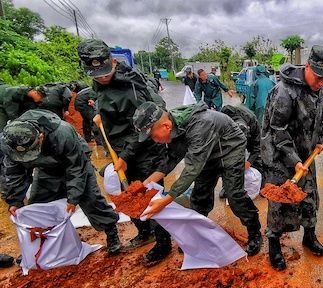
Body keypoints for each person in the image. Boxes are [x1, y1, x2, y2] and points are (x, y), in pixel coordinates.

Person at [78, 38, 172, 266]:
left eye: (105, 71)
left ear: (112, 61)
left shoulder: (131, 87)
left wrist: (125, 157)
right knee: (128, 194)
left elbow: (143, 130)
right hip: (121, 150)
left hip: (144, 149)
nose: (102, 77)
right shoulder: (100, 84)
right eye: (96, 74)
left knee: (150, 195)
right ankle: (145, 231)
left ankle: (163, 243)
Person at [132, 101, 263, 256]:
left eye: (153, 136)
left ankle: (255, 232)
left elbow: (192, 169)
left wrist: (165, 201)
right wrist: (147, 183)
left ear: (165, 126)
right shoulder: (175, 126)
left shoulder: (200, 125)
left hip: (230, 149)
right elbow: (172, 157)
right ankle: (197, 235)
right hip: (207, 154)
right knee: (200, 195)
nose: (154, 140)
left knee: (234, 195)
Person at [0, 110, 122, 255]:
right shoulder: (9, 142)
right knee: (39, 207)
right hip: (45, 169)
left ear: (41, 136)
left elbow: (76, 168)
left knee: (91, 200)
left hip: (76, 163)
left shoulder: (62, 132)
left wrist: (73, 198)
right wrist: (15, 201)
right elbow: (15, 173)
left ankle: (111, 232)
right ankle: (39, 248)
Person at [261, 45, 323, 270]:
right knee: (280, 202)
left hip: (305, 154)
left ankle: (309, 236)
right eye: (319, 77)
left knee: (309, 196)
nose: (322, 83)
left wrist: (320, 138)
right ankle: (274, 245)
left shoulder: (320, 88)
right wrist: (294, 160)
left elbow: (322, 117)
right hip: (279, 155)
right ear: (307, 67)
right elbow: (278, 130)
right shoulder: (285, 91)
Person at [219, 104, 263, 199]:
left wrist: (249, 162)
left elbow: (257, 148)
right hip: (230, 141)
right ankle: (226, 187)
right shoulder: (223, 123)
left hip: (251, 137)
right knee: (227, 162)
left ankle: (260, 184)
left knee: (257, 159)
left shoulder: (252, 122)